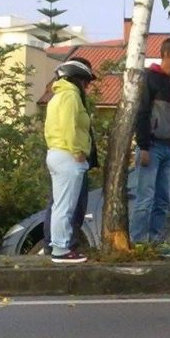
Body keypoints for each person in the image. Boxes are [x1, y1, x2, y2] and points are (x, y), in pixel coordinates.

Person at [130, 37, 170, 258]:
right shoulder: (149, 79)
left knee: (163, 198)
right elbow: (142, 113)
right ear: (168, 54)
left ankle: (156, 241)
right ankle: (139, 243)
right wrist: (143, 145)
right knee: (145, 197)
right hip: (152, 146)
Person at [42, 57, 99, 256]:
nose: (87, 86)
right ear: (77, 79)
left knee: (61, 205)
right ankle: (61, 248)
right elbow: (69, 126)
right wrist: (78, 151)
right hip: (68, 156)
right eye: (86, 82)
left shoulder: (58, 95)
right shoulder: (70, 96)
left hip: (57, 152)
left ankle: (60, 246)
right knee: (65, 207)